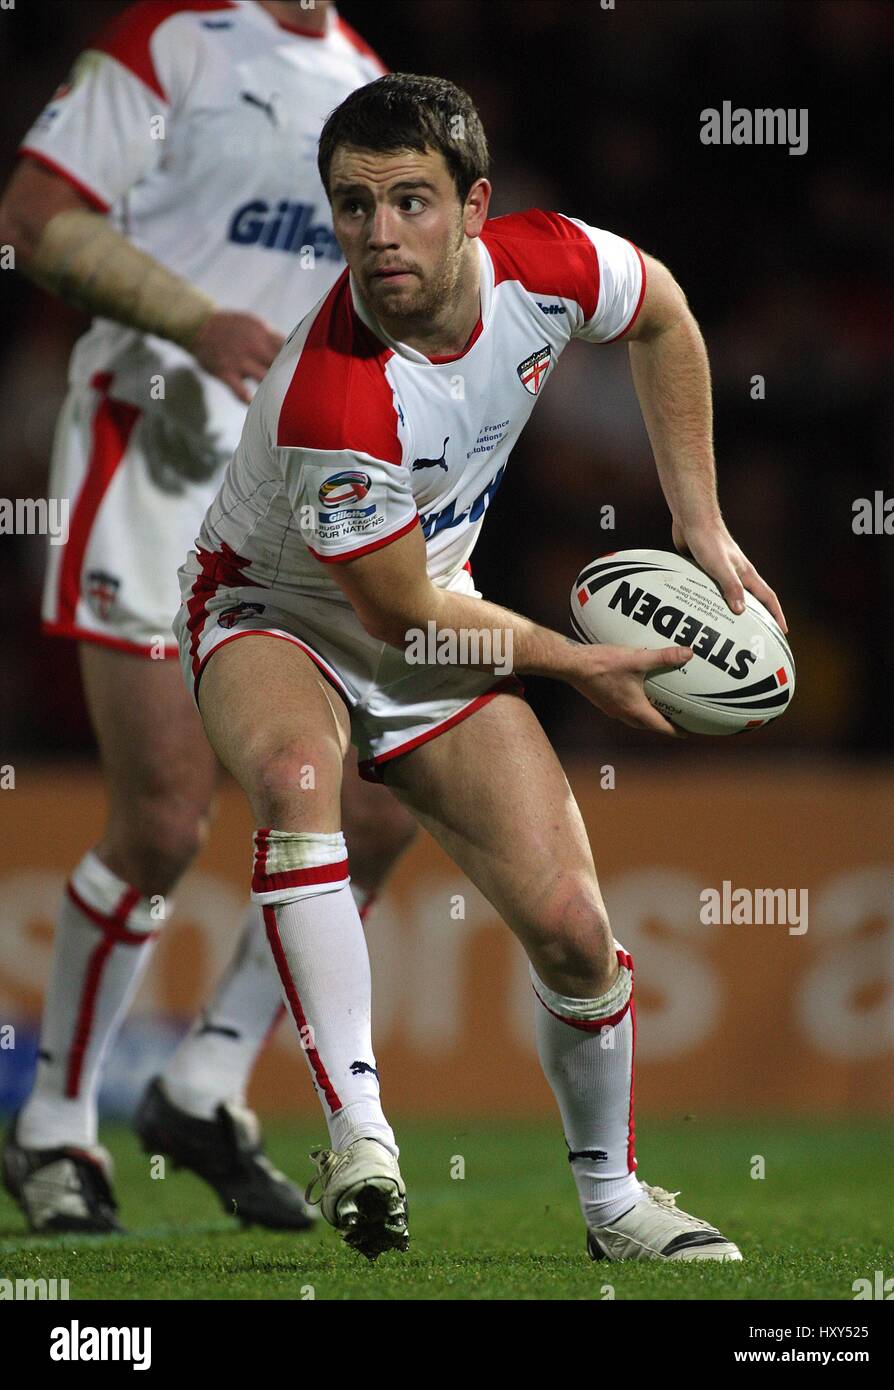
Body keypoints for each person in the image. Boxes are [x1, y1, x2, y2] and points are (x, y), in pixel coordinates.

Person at [172, 70, 789, 1262]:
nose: (379, 233)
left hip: (430, 603)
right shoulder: (333, 400)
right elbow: (404, 618)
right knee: (302, 779)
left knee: (569, 924)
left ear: (473, 206)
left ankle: (612, 1204)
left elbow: (662, 314)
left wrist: (700, 524)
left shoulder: (549, 265)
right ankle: (362, 1136)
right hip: (271, 608)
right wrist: (579, 665)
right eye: (353, 206)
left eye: (410, 200)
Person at [0, 0, 418, 1236]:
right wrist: (195, 322)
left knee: (386, 803)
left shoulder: (367, 78)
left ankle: (201, 1085)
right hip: (151, 458)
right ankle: (56, 1125)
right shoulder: (172, 39)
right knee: (167, 820)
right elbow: (33, 217)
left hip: (297, 489)